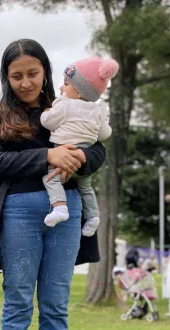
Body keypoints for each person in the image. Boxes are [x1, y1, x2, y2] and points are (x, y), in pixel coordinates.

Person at [0, 39, 106, 330]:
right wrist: (48, 155)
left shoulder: (67, 103)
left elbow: (98, 147)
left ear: (45, 71)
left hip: (68, 212)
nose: (26, 82)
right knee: (18, 302)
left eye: (32, 73)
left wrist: (80, 155)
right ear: (7, 77)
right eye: (16, 76)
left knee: (55, 303)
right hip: (18, 211)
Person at [40, 57, 119, 236]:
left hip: (64, 154)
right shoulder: (97, 111)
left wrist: (46, 112)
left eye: (66, 84)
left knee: (50, 179)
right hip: (84, 161)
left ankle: (60, 208)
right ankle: (92, 216)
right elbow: (104, 135)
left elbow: (47, 123)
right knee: (86, 188)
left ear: (79, 91)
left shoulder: (65, 105)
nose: (61, 87)